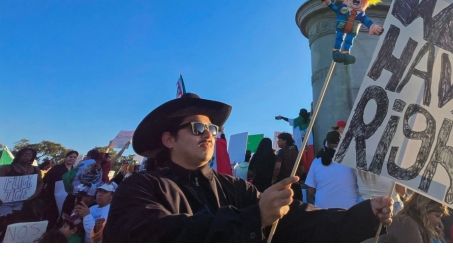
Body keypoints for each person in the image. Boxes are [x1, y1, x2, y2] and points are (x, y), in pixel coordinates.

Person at [102, 93, 393, 243]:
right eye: (197, 127)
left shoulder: (235, 187)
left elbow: (295, 219)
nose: (209, 134)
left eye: (212, 127)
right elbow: (159, 237)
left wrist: (364, 215)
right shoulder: (140, 187)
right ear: (168, 139)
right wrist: (255, 217)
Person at [0, 147, 43, 243]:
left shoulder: (35, 170)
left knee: (11, 231)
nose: (27, 156)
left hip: (19, 204)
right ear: (19, 155)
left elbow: (40, 183)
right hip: (0, 203)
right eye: (25, 154)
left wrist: (34, 194)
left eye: (30, 155)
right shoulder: (7, 168)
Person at [321, 0, 384, 65]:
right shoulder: (343, 9)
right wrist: (329, 3)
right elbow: (336, 9)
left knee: (349, 40)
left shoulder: (360, 14)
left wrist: (372, 26)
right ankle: (336, 52)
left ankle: (346, 53)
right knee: (339, 37)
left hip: (352, 29)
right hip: (341, 26)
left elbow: (365, 20)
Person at [305, 131, 359, 209]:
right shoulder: (353, 159)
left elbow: (311, 191)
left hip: (323, 211)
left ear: (328, 144)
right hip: (350, 210)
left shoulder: (317, 161)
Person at [364, 192, 448, 243]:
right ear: (424, 210)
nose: (439, 221)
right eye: (437, 216)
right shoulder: (407, 225)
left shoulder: (417, 224)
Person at [40, 150, 79, 229]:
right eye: (70, 157)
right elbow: (45, 180)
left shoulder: (75, 171)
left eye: (74, 157)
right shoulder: (57, 168)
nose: (72, 159)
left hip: (68, 199)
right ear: (66, 158)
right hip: (53, 198)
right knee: (51, 218)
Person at [275, 107, 314, 174]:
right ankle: (312, 170)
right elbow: (312, 112)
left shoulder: (296, 120)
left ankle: (306, 172)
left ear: (299, 114)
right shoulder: (310, 119)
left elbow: (288, 120)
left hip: (300, 144)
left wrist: (281, 117)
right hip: (310, 142)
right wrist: (312, 106)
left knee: (302, 158)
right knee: (311, 157)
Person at [273, 132, 304, 201]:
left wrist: (274, 178)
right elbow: (302, 168)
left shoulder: (281, 152)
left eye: (279, 140)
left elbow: (277, 167)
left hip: (284, 184)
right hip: (296, 184)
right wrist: (297, 176)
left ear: (284, 141)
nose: (278, 142)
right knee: (297, 207)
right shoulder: (296, 152)